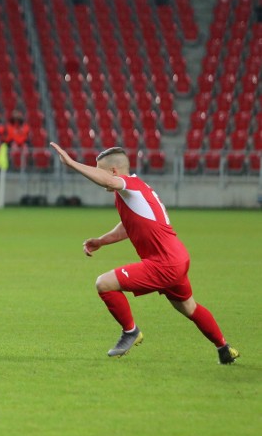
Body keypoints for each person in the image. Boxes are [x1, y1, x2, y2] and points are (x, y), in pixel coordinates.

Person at [49, 143, 240, 365]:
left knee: (104, 283)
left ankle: (131, 331)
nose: (98, 177)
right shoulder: (135, 190)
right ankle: (224, 348)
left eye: (99, 171)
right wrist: (101, 241)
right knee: (189, 307)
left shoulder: (127, 185)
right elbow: (128, 226)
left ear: (113, 172)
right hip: (176, 258)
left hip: (164, 263)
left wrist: (72, 164)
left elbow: (109, 182)